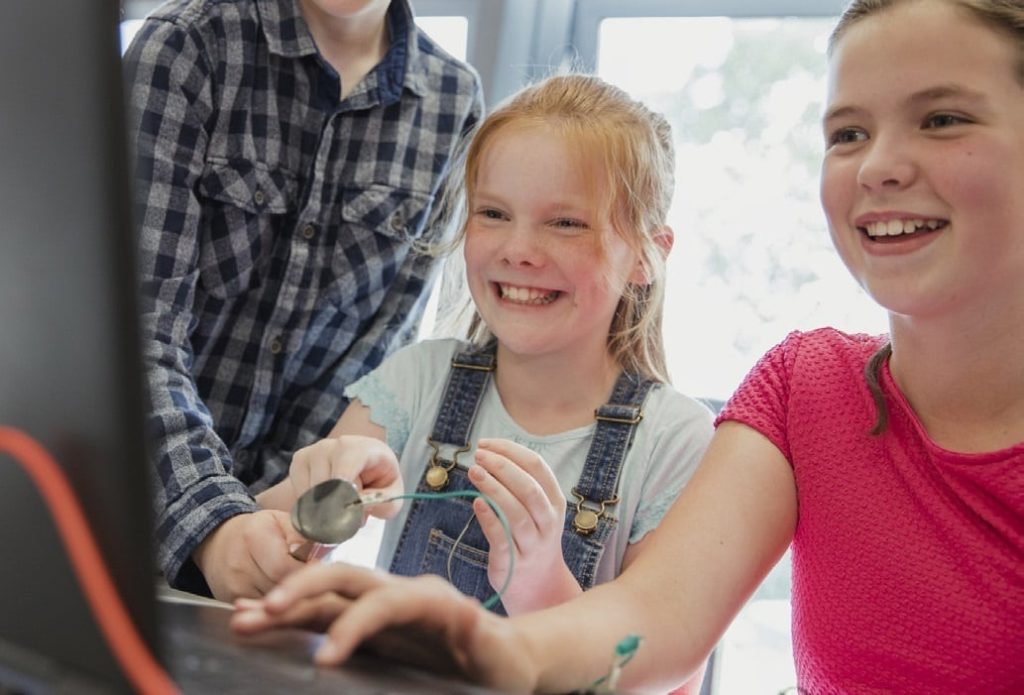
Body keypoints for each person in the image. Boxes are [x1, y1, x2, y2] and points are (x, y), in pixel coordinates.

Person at [230, 0, 1024, 692]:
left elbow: (670, 672)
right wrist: (485, 639)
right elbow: (657, 617)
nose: (878, 166)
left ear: (647, 255)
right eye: (847, 132)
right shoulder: (803, 388)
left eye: (943, 119)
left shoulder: (672, 434)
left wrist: (526, 608)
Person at [256, 74, 714, 623]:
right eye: (494, 213)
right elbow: (263, 550)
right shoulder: (418, 379)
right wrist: (312, 505)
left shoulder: (676, 441)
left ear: (645, 255)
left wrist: (542, 584)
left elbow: (661, 663)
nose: (518, 250)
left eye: (566, 223)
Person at [122, 0, 483, 601]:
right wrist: (217, 521)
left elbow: (372, 357)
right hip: (115, 511)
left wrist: (278, 521)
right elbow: (132, 334)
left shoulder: (453, 101)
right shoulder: (189, 45)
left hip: (272, 545)